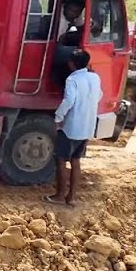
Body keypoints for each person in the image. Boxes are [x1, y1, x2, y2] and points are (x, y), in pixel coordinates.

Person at [46, 49, 102, 208]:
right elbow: (99, 96)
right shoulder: (95, 77)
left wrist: (58, 117)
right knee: (76, 161)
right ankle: (71, 198)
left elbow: (69, 100)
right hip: (87, 126)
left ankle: (59, 195)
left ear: (71, 64)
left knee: (61, 159)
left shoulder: (72, 79)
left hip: (71, 127)